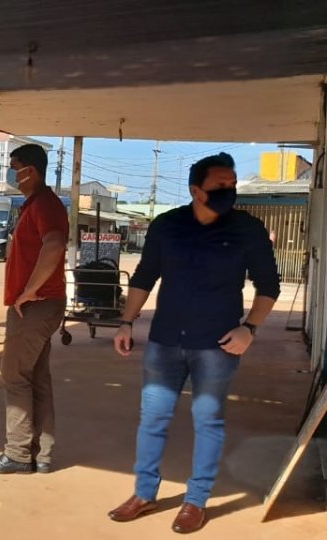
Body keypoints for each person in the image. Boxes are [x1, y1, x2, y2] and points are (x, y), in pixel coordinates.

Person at [108, 153, 279, 534]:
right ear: (195, 190)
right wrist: (125, 322)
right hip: (165, 342)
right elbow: (144, 275)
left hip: (217, 346)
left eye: (232, 184)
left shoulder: (248, 230)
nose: (229, 191)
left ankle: (195, 502)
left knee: (208, 422)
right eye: (220, 185)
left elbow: (269, 286)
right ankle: (144, 493)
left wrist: (249, 328)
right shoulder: (167, 226)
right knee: (152, 420)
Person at [0, 143, 68, 475]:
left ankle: (16, 454)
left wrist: (30, 291)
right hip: (42, 305)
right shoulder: (36, 205)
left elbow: (55, 244)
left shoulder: (44, 204)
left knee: (13, 376)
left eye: (15, 167)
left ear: (31, 170)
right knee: (35, 378)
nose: (13, 173)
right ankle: (40, 454)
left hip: (35, 307)